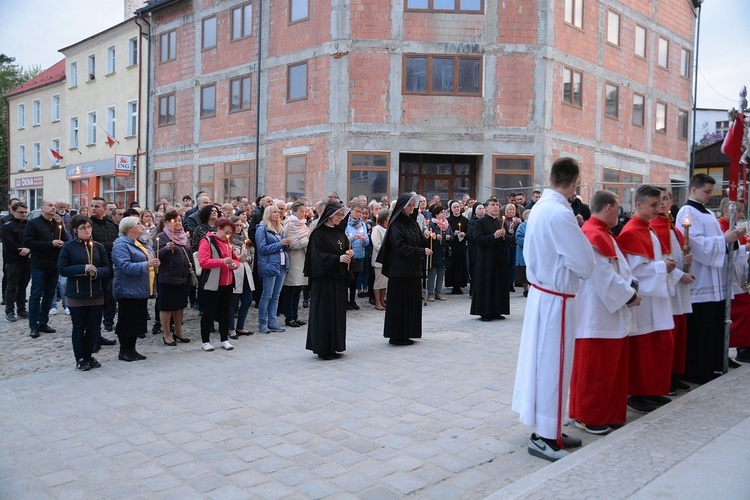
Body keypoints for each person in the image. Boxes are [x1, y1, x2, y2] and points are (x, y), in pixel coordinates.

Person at [512, 157, 595, 462]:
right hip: (556, 300)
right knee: (554, 368)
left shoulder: (541, 209)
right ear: (575, 182)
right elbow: (586, 264)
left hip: (543, 296)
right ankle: (547, 437)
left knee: (545, 365)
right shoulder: (560, 213)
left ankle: (547, 428)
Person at [569, 190, 640, 435]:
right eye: (618, 208)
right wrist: (630, 295)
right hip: (596, 313)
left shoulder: (604, 233)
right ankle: (589, 416)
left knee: (609, 371)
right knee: (595, 371)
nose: (620, 213)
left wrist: (631, 286)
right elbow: (603, 276)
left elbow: (622, 268)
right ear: (609, 207)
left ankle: (608, 412)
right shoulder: (592, 234)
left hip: (608, 310)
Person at [675, 174, 745, 383]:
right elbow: (695, 243)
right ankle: (697, 371)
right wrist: (724, 239)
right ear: (694, 189)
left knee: (712, 326)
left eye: (710, 192)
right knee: (700, 328)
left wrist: (731, 239)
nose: (708, 196)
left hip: (714, 280)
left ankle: (712, 365)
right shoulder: (687, 212)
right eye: (706, 191)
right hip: (701, 279)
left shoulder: (707, 213)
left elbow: (717, 244)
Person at [617, 185, 678, 413]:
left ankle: (652, 390)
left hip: (657, 298)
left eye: (659, 203)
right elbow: (634, 272)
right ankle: (637, 393)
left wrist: (667, 264)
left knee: (659, 344)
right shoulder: (631, 232)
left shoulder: (648, 229)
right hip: (643, 301)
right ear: (639, 204)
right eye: (653, 205)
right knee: (644, 349)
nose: (657, 208)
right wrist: (663, 266)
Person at [650, 188, 694, 392]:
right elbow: (659, 261)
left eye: (665, 199)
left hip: (679, 287)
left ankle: (675, 373)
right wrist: (679, 275)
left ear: (671, 202)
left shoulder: (674, 227)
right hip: (667, 286)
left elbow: (677, 252)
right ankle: (665, 376)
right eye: (658, 200)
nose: (661, 203)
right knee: (668, 334)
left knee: (679, 333)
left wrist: (687, 261)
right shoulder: (653, 228)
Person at [57, 215, 112, 371]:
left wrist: (97, 272)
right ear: (75, 230)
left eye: (88, 227)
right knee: (79, 327)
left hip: (96, 293)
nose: (86, 230)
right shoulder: (68, 247)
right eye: (82, 228)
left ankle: (89, 356)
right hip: (77, 294)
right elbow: (62, 269)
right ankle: (80, 358)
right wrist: (82, 269)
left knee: (93, 328)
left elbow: (107, 269)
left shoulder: (98, 246)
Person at [378, 193, 433, 346]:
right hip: (400, 271)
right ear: (401, 207)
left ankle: (409, 332)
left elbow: (419, 241)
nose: (411, 207)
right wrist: (421, 252)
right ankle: (396, 335)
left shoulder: (413, 223)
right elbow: (399, 247)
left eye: (412, 205)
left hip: (413, 270)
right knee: (399, 303)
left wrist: (428, 237)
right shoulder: (395, 225)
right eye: (408, 205)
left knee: (411, 303)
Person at [303, 201, 353, 360]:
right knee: (324, 314)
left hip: (338, 280)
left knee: (337, 314)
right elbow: (317, 257)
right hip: (324, 281)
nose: (340, 218)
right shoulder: (319, 233)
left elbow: (343, 248)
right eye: (337, 215)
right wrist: (337, 259)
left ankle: (335, 346)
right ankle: (323, 348)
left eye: (341, 215)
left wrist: (348, 254)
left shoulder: (340, 233)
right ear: (329, 215)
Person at [112, 216, 159, 362]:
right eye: (138, 224)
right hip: (127, 289)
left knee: (136, 322)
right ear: (129, 228)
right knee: (127, 321)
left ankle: (132, 349)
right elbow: (124, 266)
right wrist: (147, 264)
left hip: (140, 287)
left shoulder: (140, 242)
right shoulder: (121, 245)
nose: (142, 226)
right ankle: (124, 350)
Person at [23, 200, 68, 338]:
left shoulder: (56, 224)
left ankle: (43, 322)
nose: (53, 208)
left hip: (54, 265)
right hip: (39, 265)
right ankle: (33, 324)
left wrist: (62, 243)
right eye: (50, 206)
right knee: (36, 294)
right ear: (42, 208)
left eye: (54, 206)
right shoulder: (33, 224)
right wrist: (50, 244)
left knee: (49, 295)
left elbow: (65, 239)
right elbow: (29, 242)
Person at [198, 217, 239, 351]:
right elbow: (203, 262)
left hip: (227, 282)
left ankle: (224, 339)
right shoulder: (207, 241)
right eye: (225, 231)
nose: (227, 235)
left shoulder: (228, 243)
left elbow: (235, 260)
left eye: (230, 233)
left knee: (225, 313)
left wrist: (234, 264)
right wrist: (221, 261)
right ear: (218, 229)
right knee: (208, 312)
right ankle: (205, 341)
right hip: (212, 282)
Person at [717, 198, 750, 364]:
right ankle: (741, 347)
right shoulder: (721, 227)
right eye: (738, 211)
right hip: (728, 278)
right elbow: (727, 251)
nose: (741, 214)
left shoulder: (734, 228)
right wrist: (746, 248)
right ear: (726, 211)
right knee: (743, 310)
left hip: (740, 277)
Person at [153, 210, 192, 346]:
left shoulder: (184, 236)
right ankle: (167, 334)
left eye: (179, 220)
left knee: (179, 306)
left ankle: (179, 332)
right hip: (167, 278)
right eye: (174, 221)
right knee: (166, 307)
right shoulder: (162, 236)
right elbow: (155, 255)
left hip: (182, 277)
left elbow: (189, 253)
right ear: (168, 222)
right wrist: (165, 249)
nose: (178, 223)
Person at [470, 198, 511, 321]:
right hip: (486, 259)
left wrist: (504, 237)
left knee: (499, 284)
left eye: (497, 205)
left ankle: (498, 310)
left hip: (500, 258)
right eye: (493, 205)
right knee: (487, 284)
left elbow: (510, 240)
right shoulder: (480, 222)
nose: (496, 207)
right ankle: (485, 312)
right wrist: (493, 236)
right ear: (486, 207)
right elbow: (477, 239)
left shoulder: (500, 221)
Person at [256, 205, 291, 333]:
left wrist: (287, 244)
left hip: (281, 264)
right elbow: (262, 249)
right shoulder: (262, 228)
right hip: (269, 264)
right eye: (274, 212)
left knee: (276, 295)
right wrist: (280, 244)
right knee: (267, 295)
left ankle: (272, 321)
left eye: (278, 212)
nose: (277, 214)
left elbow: (282, 247)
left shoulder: (280, 229)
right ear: (268, 214)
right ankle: (262, 323)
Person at [89, 197, 119, 341]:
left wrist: (111, 246)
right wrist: (110, 246)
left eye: (97, 206)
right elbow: (93, 244)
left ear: (104, 209)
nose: (93, 208)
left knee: (110, 293)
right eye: (92, 206)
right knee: (99, 293)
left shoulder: (111, 224)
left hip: (111, 261)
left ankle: (108, 320)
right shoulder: (89, 224)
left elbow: (117, 241)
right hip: (97, 262)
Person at [1, 201, 31, 322]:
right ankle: (9, 311)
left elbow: (32, 239)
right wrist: (21, 249)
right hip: (13, 260)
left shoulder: (29, 225)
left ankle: (21, 309)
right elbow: (8, 242)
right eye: (21, 212)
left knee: (23, 286)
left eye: (25, 212)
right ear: (13, 212)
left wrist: (29, 249)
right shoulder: (7, 226)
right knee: (11, 287)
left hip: (27, 260)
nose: (23, 214)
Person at [282, 201, 310, 327]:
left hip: (302, 259)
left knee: (298, 289)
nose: (304, 214)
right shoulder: (289, 224)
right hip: (293, 260)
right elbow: (292, 244)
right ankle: (289, 317)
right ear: (294, 211)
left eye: (305, 211)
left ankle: (295, 315)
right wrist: (307, 240)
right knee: (290, 290)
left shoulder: (303, 225)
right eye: (301, 211)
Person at [228, 218, 255, 337]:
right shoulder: (228, 240)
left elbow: (250, 256)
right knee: (232, 302)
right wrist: (237, 258)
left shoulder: (244, 239)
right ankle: (231, 328)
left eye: (241, 225)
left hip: (245, 272)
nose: (239, 227)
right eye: (236, 225)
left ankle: (240, 326)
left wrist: (247, 258)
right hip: (233, 273)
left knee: (247, 300)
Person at [345, 203, 369, 310]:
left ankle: (352, 300)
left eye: (360, 212)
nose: (359, 214)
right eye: (357, 211)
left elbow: (367, 241)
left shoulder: (362, 224)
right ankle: (345, 300)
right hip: (349, 255)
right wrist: (353, 238)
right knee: (347, 279)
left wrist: (364, 240)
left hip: (359, 255)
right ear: (351, 211)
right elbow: (344, 240)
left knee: (355, 279)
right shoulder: (346, 224)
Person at [426, 204, 452, 302]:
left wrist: (449, 237)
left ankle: (438, 292)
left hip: (444, 252)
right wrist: (435, 236)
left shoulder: (447, 224)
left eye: (444, 212)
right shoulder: (432, 224)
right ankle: (430, 293)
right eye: (441, 213)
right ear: (436, 215)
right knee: (432, 273)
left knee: (441, 274)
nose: (443, 214)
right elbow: (429, 236)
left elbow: (451, 235)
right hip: (435, 251)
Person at [445, 200, 468, 295]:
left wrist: (464, 234)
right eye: (454, 207)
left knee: (461, 265)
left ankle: (459, 284)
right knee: (452, 265)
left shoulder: (465, 220)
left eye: (458, 207)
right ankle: (453, 284)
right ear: (451, 209)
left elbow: (469, 233)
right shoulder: (448, 220)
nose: (456, 209)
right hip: (452, 246)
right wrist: (453, 234)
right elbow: (446, 233)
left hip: (461, 246)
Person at [370, 209, 389, 311]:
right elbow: (377, 244)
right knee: (379, 282)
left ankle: (382, 300)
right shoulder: (376, 229)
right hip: (379, 260)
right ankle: (378, 302)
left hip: (387, 260)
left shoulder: (388, 228)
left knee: (384, 283)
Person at [467, 202, 485, 297]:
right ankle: (474, 291)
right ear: (475, 211)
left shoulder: (486, 220)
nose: (482, 210)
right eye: (479, 209)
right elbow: (471, 235)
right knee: (475, 270)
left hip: (484, 248)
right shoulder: (472, 221)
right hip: (475, 249)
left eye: (483, 208)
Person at [503, 203, 522, 292]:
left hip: (514, 244)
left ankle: (511, 283)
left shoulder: (518, 221)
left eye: (513, 209)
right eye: (510, 209)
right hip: (506, 245)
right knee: (506, 263)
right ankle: (505, 282)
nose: (512, 211)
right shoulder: (503, 220)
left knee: (512, 264)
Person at [515, 209, 531, 297]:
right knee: (524, 272)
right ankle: (525, 289)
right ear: (526, 216)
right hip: (523, 253)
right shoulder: (522, 226)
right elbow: (518, 238)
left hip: (533, 253)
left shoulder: (535, 225)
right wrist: (528, 241)